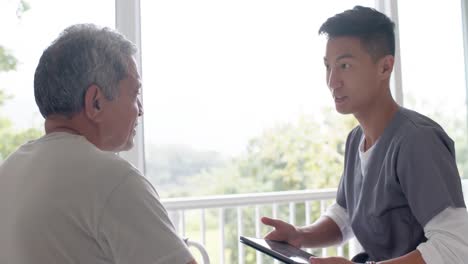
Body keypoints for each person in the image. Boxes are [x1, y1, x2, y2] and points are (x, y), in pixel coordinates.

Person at [261, 6, 468, 264]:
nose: (332, 81)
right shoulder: (355, 140)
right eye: (328, 66)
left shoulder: (418, 141)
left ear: (385, 67)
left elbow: (456, 247)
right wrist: (300, 236)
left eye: (345, 65)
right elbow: (345, 214)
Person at [0, 24, 197, 264]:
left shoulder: (10, 170)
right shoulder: (112, 180)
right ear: (96, 102)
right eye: (135, 94)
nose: (141, 110)